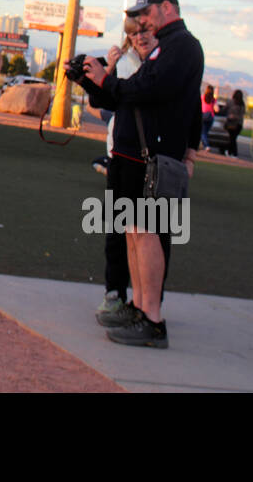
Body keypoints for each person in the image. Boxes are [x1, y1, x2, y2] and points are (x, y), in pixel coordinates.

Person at [78, 0, 203, 349]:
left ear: (167, 7)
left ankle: (152, 318)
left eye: (145, 14)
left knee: (146, 234)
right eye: (137, 21)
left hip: (153, 159)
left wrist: (106, 79)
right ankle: (139, 307)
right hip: (135, 156)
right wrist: (97, 80)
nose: (142, 23)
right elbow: (132, 93)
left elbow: (148, 90)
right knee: (135, 233)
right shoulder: (169, 45)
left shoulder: (182, 45)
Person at [91, 16, 155, 322]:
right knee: (119, 230)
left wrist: (190, 155)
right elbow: (101, 100)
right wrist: (105, 73)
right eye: (133, 32)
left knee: (153, 233)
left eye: (145, 30)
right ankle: (115, 293)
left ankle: (148, 305)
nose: (139, 37)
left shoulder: (166, 63)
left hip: (155, 160)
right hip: (121, 153)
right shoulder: (123, 61)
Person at [225, 89, 246, 157]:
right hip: (238, 124)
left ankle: (233, 153)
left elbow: (224, 109)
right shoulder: (242, 104)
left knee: (232, 139)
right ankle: (230, 152)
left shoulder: (231, 102)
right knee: (232, 139)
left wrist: (232, 116)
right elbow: (242, 115)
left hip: (232, 123)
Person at [200, 84, 216, 150]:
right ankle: (204, 144)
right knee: (205, 132)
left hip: (203, 116)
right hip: (210, 117)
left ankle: (206, 145)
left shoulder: (202, 97)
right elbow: (217, 109)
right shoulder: (213, 100)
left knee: (202, 132)